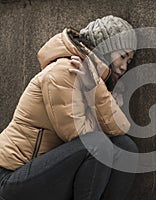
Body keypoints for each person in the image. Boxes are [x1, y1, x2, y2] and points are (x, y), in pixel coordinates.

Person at [0, 15, 138, 200]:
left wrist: (95, 88)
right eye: (122, 56)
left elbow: (120, 129)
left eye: (129, 61)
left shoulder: (93, 79)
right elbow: (78, 134)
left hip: (45, 172)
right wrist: (96, 89)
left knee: (126, 147)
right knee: (97, 145)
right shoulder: (65, 70)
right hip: (10, 178)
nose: (124, 67)